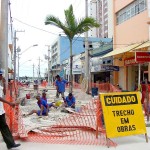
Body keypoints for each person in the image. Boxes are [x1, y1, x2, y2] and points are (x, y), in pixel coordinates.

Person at [0, 70, 21, 149]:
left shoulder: (0, 86)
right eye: (1, 75)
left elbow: (4, 93)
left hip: (1, 111)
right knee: (4, 127)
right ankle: (11, 144)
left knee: (4, 127)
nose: (2, 76)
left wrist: (5, 84)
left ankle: (10, 144)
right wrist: (9, 103)